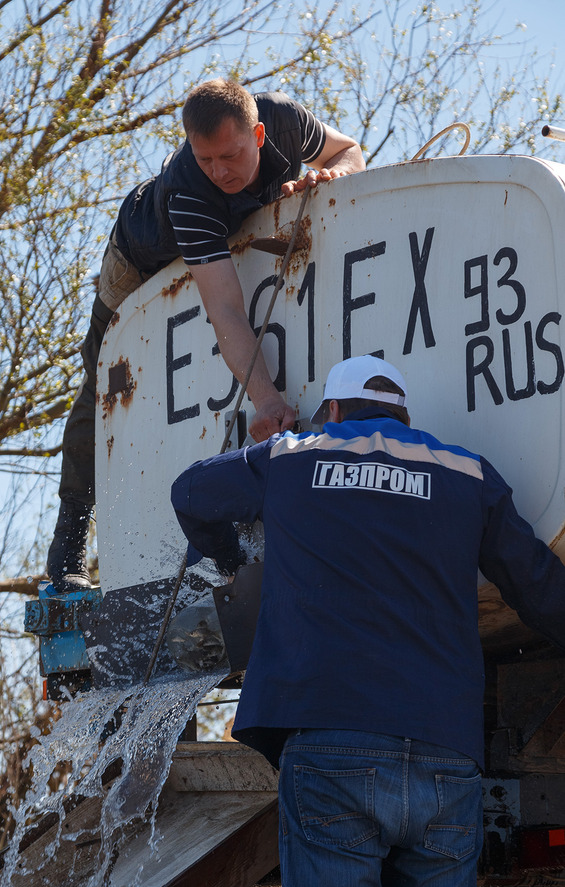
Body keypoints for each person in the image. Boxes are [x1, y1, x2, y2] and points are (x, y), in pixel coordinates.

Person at [170, 354, 565, 887]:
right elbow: (541, 589)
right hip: (447, 758)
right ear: (403, 416)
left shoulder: (293, 456)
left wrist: (228, 562)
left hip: (334, 749)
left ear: (334, 412)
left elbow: (191, 491)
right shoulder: (466, 473)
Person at [47, 78, 364, 589]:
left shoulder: (285, 119)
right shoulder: (190, 190)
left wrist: (331, 174)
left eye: (230, 156)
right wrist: (266, 400)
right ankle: (67, 546)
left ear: (259, 134)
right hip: (139, 258)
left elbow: (350, 151)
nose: (219, 172)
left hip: (221, 238)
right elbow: (225, 310)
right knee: (100, 383)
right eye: (206, 159)